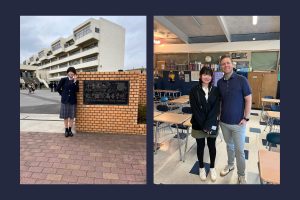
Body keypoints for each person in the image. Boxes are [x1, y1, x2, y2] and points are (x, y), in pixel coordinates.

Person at [217, 55, 252, 184]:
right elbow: (220, 100)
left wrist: (246, 118)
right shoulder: (220, 82)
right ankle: (230, 165)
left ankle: (241, 175)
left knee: (239, 151)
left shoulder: (242, 80)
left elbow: (248, 99)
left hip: (238, 123)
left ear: (232, 64)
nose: (226, 65)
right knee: (229, 146)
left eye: (228, 63)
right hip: (224, 123)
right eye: (223, 64)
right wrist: (219, 115)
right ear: (220, 66)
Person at [190, 66, 220, 182]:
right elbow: (195, 110)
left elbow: (216, 109)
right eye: (204, 74)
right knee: (200, 146)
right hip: (198, 124)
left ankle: (212, 168)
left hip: (212, 124)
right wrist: (204, 126)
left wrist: (208, 126)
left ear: (212, 77)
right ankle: (201, 168)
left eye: (209, 74)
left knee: (212, 146)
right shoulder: (194, 90)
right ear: (200, 76)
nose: (207, 77)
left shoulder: (216, 90)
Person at [56, 67, 79, 137]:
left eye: (72, 72)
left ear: (74, 73)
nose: (71, 73)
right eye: (70, 72)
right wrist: (62, 94)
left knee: (72, 117)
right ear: (67, 73)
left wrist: (75, 82)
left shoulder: (76, 81)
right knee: (65, 117)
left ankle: (70, 130)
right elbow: (57, 88)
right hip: (65, 101)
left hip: (72, 101)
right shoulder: (63, 80)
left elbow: (77, 90)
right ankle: (66, 130)